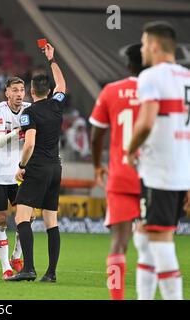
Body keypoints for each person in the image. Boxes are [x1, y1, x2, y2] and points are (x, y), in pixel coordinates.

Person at [127, 21, 190, 300]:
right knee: (143, 238)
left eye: (143, 44)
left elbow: (146, 122)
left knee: (160, 242)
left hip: (159, 173)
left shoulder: (151, 76)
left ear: (153, 45)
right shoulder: (187, 78)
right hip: (179, 171)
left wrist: (130, 149)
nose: (141, 50)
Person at [6, 43, 66, 282]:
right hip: (56, 168)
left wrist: (21, 167)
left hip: (38, 167)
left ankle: (28, 268)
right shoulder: (57, 104)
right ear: (49, 91)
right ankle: (50, 273)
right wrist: (52, 60)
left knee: (22, 217)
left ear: (31, 92)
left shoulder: (28, 114)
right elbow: (62, 84)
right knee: (51, 221)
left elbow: (29, 143)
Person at [89, 44, 144, 300]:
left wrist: (98, 165)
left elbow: (96, 136)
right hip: (155, 178)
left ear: (127, 64)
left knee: (118, 242)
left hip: (121, 175)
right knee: (154, 245)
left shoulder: (112, 91)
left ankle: (117, 298)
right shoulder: (162, 92)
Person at [0, 77, 31, 280]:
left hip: (19, 173)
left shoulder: (30, 109)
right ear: (7, 93)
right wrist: (21, 131)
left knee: (28, 217)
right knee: (1, 219)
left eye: (22, 90)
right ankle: (5, 268)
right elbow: (1, 140)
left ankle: (17, 257)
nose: (19, 94)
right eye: (15, 90)